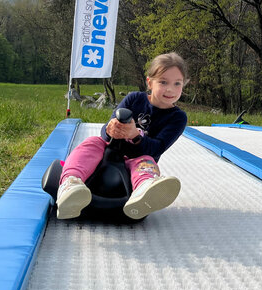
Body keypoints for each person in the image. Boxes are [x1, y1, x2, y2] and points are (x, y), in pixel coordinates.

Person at [56, 52, 189, 220]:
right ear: (150, 82)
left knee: (147, 162)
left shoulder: (177, 118)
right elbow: (106, 131)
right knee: (92, 142)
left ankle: (144, 190)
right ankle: (71, 182)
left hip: (139, 158)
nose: (170, 89)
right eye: (163, 82)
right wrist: (111, 129)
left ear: (183, 85)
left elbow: (157, 148)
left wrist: (135, 136)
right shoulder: (134, 99)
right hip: (111, 149)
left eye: (177, 83)